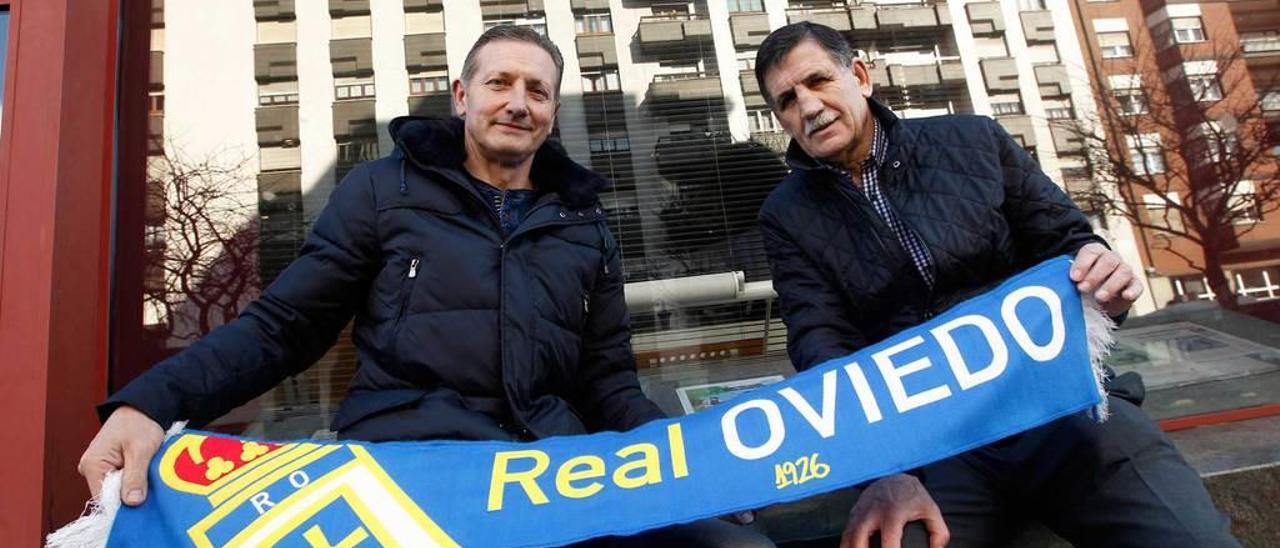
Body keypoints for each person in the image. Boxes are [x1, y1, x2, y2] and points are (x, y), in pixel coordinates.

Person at [78, 25, 772, 548]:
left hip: (552, 478)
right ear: (463, 96)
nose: (518, 103)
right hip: (408, 473)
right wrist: (148, 404)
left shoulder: (585, 224)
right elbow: (284, 327)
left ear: (553, 112)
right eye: (500, 83)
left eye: (536, 90)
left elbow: (610, 383)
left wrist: (695, 466)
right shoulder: (383, 190)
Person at [753, 22, 1238, 548]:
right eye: (786, 100)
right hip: (930, 447)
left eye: (818, 81)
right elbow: (820, 343)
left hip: (1059, 408)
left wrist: (1103, 278)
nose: (808, 106)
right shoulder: (786, 214)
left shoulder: (974, 141)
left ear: (861, 76)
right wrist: (882, 472)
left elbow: (1071, 245)